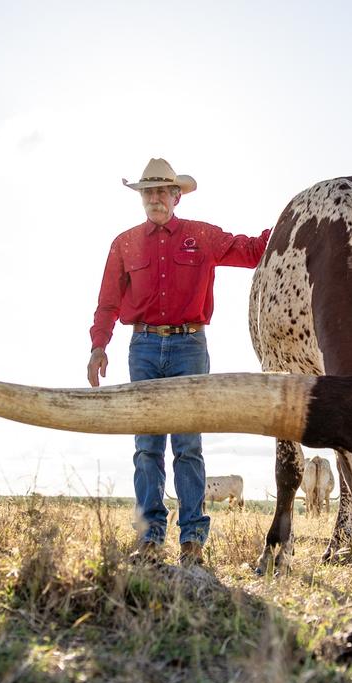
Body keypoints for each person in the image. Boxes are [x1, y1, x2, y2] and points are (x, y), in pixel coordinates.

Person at [87, 158, 269, 568]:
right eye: (147, 192)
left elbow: (253, 250)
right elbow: (108, 303)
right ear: (142, 198)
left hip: (190, 346)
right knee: (146, 446)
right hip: (144, 348)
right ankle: (150, 538)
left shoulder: (201, 236)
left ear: (176, 196)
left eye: (161, 191)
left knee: (188, 445)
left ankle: (192, 540)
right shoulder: (125, 243)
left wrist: (293, 222)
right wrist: (100, 346)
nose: (154, 198)